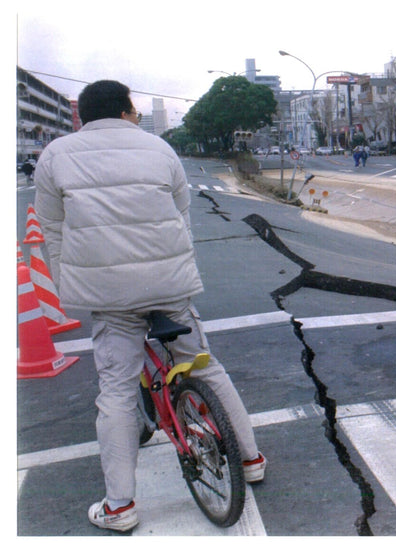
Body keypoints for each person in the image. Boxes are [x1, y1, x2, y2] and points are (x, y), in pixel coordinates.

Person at [34, 80, 266, 533]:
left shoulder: (56, 156)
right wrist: (178, 273)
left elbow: (53, 230)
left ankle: (119, 507)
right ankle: (251, 459)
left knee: (117, 393)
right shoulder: (159, 149)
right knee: (206, 367)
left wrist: (70, 288)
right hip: (169, 288)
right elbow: (181, 214)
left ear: (82, 115)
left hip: (108, 295)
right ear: (126, 110)